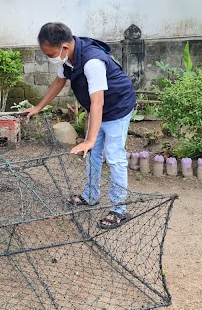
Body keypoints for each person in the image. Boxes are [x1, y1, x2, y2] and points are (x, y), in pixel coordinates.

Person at [24, 22, 137, 229]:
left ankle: (119, 209)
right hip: (100, 107)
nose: (50, 58)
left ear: (64, 48)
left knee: (114, 157)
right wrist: (38, 107)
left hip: (117, 106)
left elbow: (98, 102)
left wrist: (91, 139)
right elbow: (58, 82)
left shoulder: (92, 61)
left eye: (50, 54)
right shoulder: (71, 57)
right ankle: (90, 196)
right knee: (91, 154)